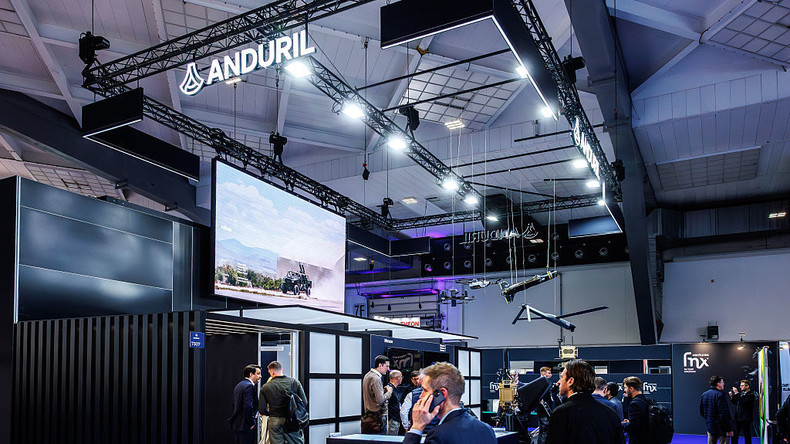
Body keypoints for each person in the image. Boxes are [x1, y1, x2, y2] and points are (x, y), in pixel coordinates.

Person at [404, 362, 496, 444]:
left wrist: (416, 427)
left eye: (425, 390)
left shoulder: (439, 435)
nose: (420, 396)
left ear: (442, 394)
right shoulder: (487, 429)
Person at [546, 360, 623, 444]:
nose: (559, 382)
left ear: (570, 381)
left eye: (561, 377)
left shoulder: (561, 413)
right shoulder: (610, 413)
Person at [258, 361, 306, 444]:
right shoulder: (294, 383)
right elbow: (304, 402)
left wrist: (271, 413)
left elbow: (262, 410)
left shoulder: (265, 387)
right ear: (282, 369)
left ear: (271, 372)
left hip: (274, 420)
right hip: (292, 420)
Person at [228, 364, 262, 444]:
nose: (260, 376)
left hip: (238, 424)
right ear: (251, 374)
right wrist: (252, 423)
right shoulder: (249, 386)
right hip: (245, 426)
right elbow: (248, 406)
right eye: (258, 373)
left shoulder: (239, 385)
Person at [362, 355, 392, 434]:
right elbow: (380, 401)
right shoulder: (376, 378)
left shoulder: (368, 375)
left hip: (368, 416)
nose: (388, 369)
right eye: (387, 366)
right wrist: (389, 392)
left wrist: (382, 391)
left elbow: (372, 395)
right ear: (380, 365)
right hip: (377, 419)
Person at [701, 375, 734, 444]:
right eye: (722, 382)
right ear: (718, 384)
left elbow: (702, 412)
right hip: (721, 429)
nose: (723, 384)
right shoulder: (720, 395)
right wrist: (728, 429)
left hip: (710, 427)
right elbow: (723, 414)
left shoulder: (704, 394)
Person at [622, 376, 649, 444]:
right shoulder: (647, 400)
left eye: (625, 387)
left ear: (631, 389)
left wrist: (622, 424)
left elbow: (633, 427)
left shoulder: (635, 404)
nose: (624, 390)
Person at [730, 380, 755, 444]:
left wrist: (737, 393)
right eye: (740, 385)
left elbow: (743, 403)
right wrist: (732, 396)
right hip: (737, 418)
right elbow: (735, 402)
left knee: (747, 435)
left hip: (746, 419)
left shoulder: (751, 395)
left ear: (747, 386)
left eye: (742, 385)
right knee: (734, 435)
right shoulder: (740, 394)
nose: (740, 387)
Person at [386, 370, 403, 435]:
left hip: (395, 418)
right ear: (398, 378)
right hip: (392, 419)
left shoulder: (394, 389)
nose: (402, 379)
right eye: (401, 377)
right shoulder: (389, 389)